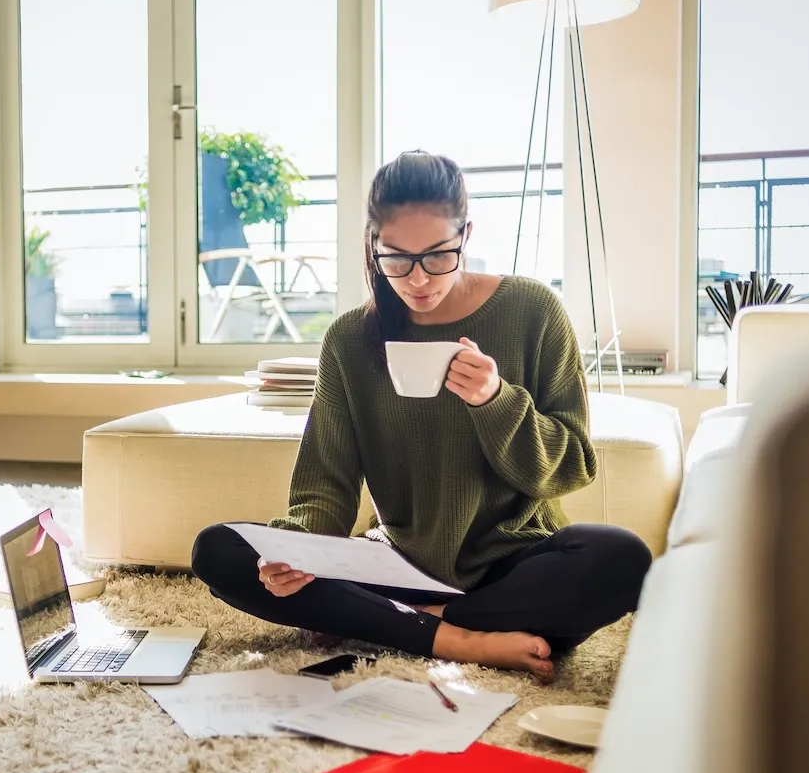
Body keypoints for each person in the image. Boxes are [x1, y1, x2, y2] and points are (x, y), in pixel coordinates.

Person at [190, 151, 652, 683]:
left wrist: (496, 400)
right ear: (373, 245)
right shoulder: (349, 340)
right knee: (220, 549)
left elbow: (572, 466)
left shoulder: (532, 310)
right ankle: (460, 638)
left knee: (620, 558)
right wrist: (298, 551)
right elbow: (326, 483)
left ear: (466, 235)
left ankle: (398, 626)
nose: (417, 278)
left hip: (512, 562)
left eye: (438, 255)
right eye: (396, 258)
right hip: (397, 568)